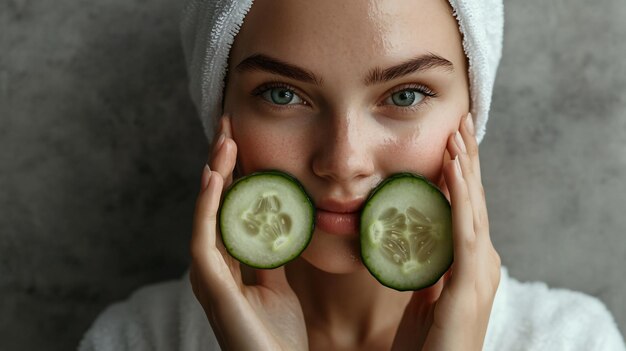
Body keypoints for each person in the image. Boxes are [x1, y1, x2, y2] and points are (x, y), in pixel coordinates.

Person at [79, 0, 626, 350]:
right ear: (217, 109)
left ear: (473, 111)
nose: (343, 160)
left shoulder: (572, 341)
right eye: (282, 94)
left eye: (406, 95)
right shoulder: (131, 341)